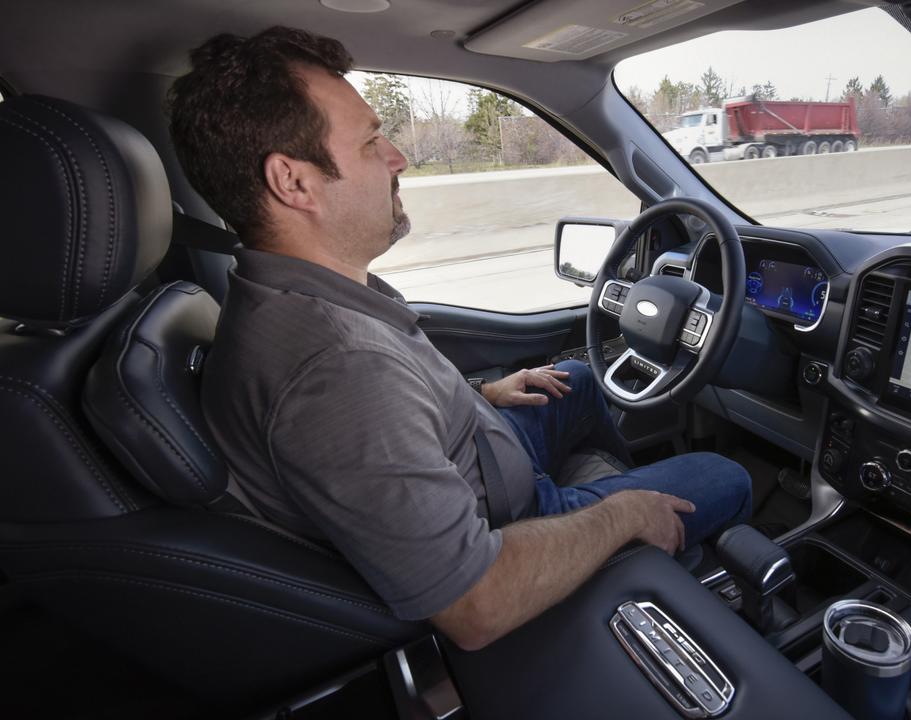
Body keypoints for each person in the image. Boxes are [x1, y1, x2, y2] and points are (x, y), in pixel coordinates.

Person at [167, 26, 751, 651]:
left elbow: (391, 413)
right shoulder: (336, 369)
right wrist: (621, 516)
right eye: (370, 142)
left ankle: (625, 515)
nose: (398, 157)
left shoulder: (296, 295)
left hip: (476, 463)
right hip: (506, 527)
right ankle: (643, 558)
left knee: (577, 381)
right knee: (727, 475)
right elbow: (475, 601)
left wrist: (478, 397)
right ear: (294, 182)